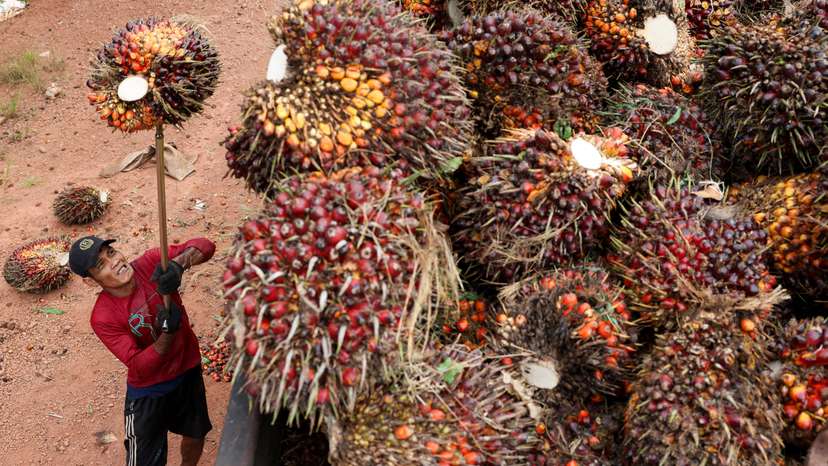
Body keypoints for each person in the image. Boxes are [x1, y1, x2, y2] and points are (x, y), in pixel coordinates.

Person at [68, 235, 216, 466]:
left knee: (196, 433)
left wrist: (179, 264)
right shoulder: (102, 318)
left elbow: (205, 246)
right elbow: (139, 365)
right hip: (150, 390)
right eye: (100, 264)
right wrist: (167, 334)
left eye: (111, 252)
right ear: (90, 282)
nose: (114, 261)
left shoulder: (151, 262)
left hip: (187, 367)